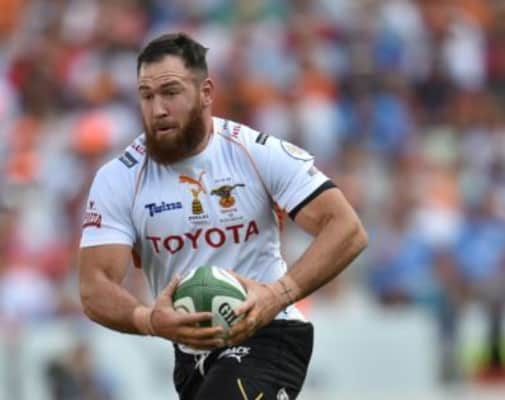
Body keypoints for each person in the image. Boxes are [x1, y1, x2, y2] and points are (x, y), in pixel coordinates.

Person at [78, 32, 368, 400]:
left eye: (170, 92)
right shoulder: (119, 178)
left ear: (206, 93)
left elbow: (347, 228)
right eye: (146, 96)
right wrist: (149, 320)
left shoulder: (255, 153)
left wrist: (277, 295)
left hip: (270, 333)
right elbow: (95, 285)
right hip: (191, 355)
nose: (157, 109)